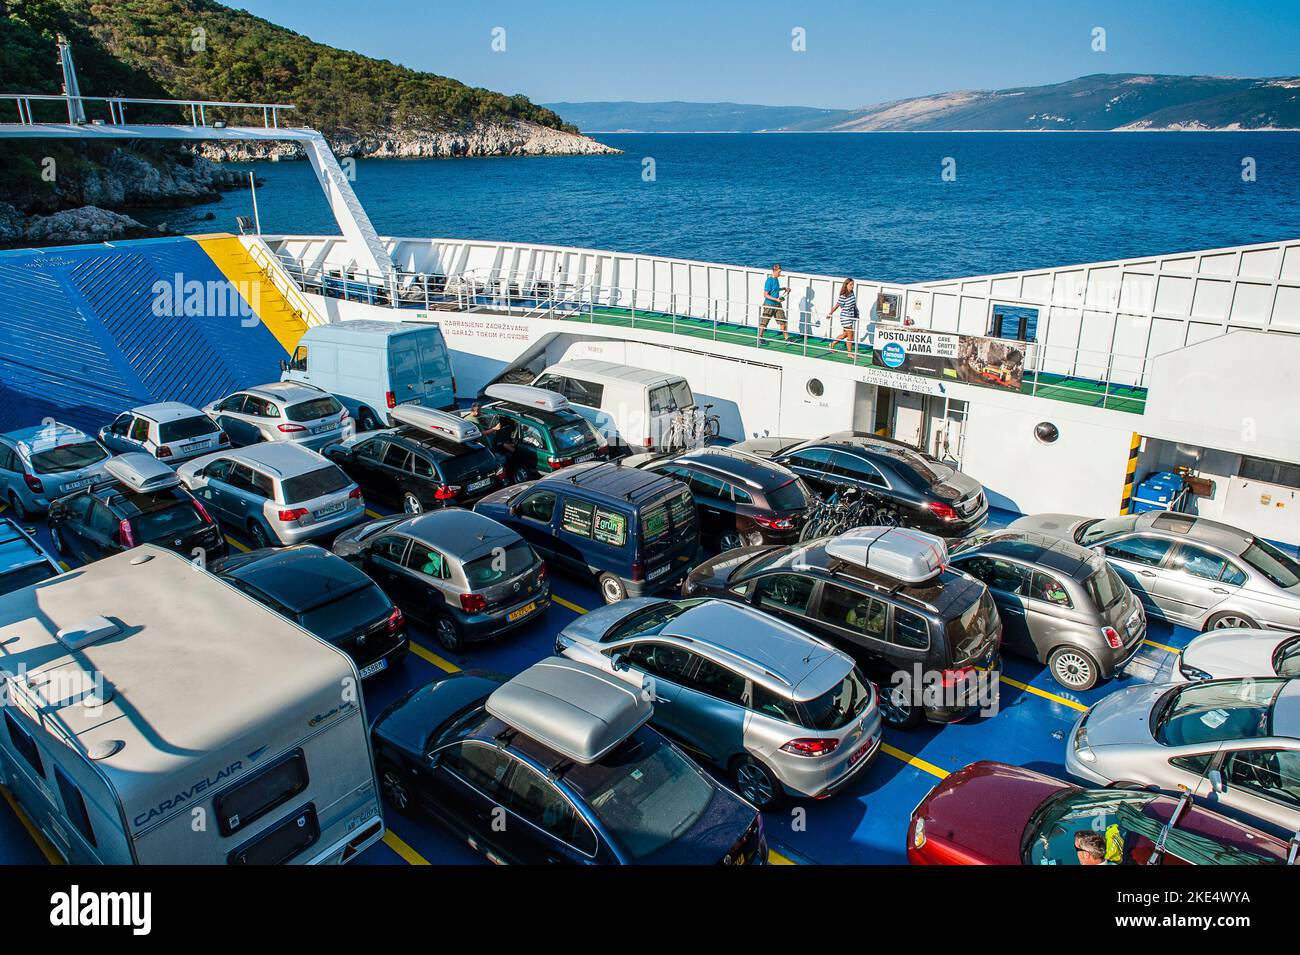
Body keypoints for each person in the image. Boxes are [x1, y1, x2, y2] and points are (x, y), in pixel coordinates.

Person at [757, 263, 789, 344]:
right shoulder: (769, 281)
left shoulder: (776, 279)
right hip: (769, 304)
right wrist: (776, 299)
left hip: (777, 304)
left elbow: (775, 289)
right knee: (764, 321)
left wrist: (784, 288)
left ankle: (787, 338)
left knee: (783, 320)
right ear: (774, 271)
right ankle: (760, 337)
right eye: (779, 272)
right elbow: (766, 294)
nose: (780, 273)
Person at [827, 278, 859, 355]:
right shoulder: (843, 295)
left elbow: (854, 304)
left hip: (850, 316)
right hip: (845, 317)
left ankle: (832, 344)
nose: (852, 286)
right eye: (851, 285)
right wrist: (830, 313)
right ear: (846, 285)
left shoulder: (852, 293)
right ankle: (850, 353)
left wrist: (857, 313)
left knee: (845, 334)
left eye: (853, 285)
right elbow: (837, 306)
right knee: (850, 336)